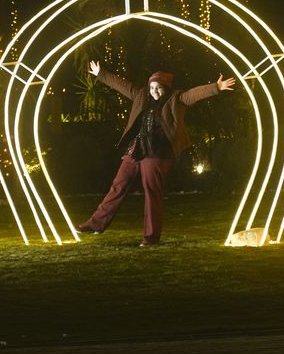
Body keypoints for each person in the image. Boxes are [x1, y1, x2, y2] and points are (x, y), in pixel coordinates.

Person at [77, 62, 235, 246]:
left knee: (152, 192)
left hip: (158, 152)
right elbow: (122, 85)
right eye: (152, 87)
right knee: (118, 186)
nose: (154, 91)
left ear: (166, 88)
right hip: (137, 149)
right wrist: (101, 73)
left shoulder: (176, 99)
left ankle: (151, 237)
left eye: (158, 88)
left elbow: (193, 94)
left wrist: (216, 87)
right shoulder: (141, 95)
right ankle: (96, 224)